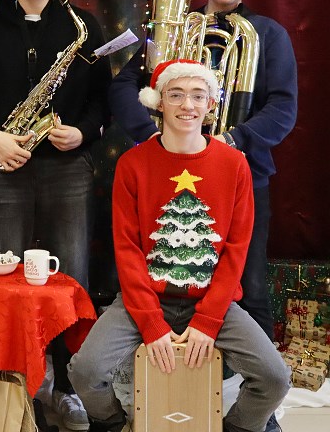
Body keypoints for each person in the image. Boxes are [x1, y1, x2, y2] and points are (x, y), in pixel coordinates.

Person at [68, 59, 290, 432]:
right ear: (158, 102)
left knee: (274, 378)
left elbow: (236, 250)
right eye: (176, 95)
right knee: (85, 371)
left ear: (210, 104)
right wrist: (149, 321)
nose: (187, 104)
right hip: (146, 298)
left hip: (213, 301)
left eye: (198, 95)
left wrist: (209, 319)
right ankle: (111, 424)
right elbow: (127, 249)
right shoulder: (133, 164)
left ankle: (239, 427)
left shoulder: (234, 165)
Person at [108, 0, 298, 346]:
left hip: (241, 175)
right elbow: (123, 87)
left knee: (250, 284)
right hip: (163, 174)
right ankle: (163, 370)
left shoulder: (270, 34)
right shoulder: (174, 29)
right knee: (155, 273)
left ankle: (252, 384)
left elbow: (283, 109)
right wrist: (152, 135)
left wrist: (233, 140)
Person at [0, 0, 111, 430]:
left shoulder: (81, 26)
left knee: (71, 280)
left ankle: (67, 386)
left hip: (66, 168)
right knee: (4, 284)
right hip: (4, 167)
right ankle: (10, 390)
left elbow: (102, 101)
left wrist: (82, 132)